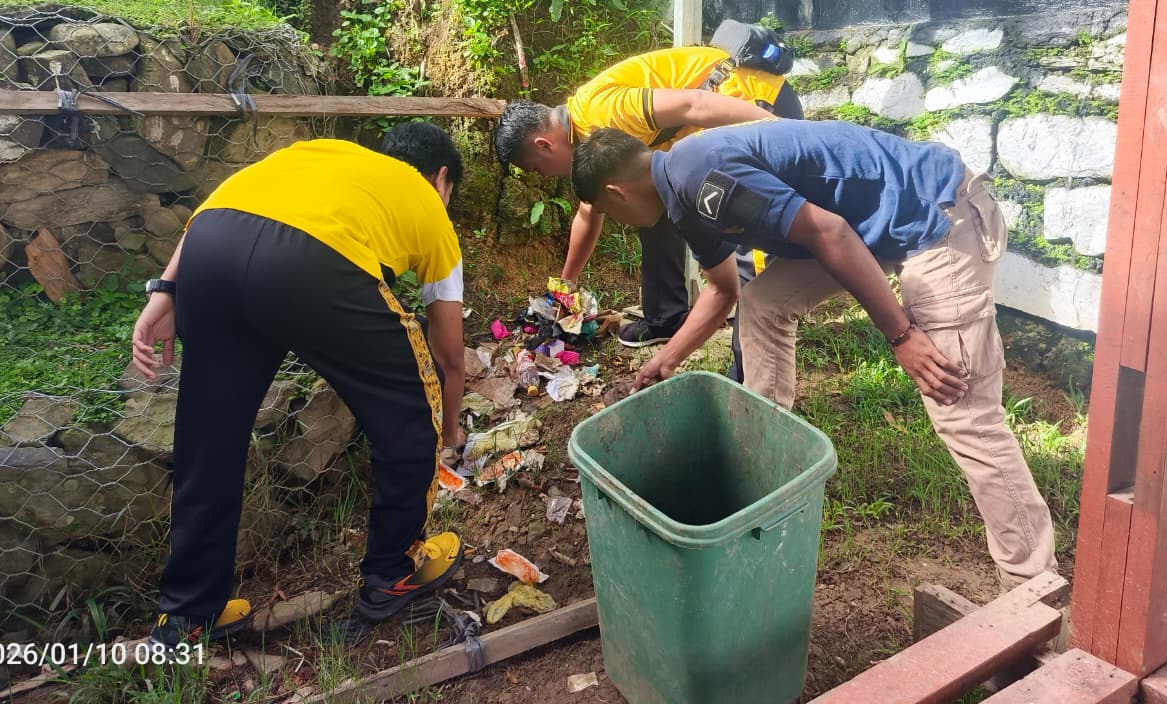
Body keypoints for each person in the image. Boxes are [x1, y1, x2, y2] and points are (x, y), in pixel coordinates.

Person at [570, 121, 1057, 587]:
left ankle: (1031, 588)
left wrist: (903, 335)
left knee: (961, 408)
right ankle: (763, 472)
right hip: (866, 226)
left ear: (615, 193)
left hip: (935, 213)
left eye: (610, 215)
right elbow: (724, 290)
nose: (619, 222)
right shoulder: (681, 196)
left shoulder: (697, 175)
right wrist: (668, 358)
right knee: (764, 303)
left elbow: (830, 234)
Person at [131, 122, 468, 648]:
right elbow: (448, 354)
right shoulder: (429, 208)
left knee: (207, 440)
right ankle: (392, 573)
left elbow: (220, 203)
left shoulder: (318, 154)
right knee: (408, 412)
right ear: (441, 178)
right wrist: (447, 431)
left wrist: (165, 290)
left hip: (210, 249)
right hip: (312, 264)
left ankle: (188, 615)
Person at [493, 44, 802, 362]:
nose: (543, 176)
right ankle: (666, 318)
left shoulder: (600, 111)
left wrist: (784, 132)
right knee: (647, 203)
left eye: (536, 168)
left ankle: (753, 361)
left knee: (751, 246)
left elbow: (693, 104)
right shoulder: (585, 134)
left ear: (543, 145)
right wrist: (566, 285)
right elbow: (590, 211)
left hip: (752, 104)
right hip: (709, 133)